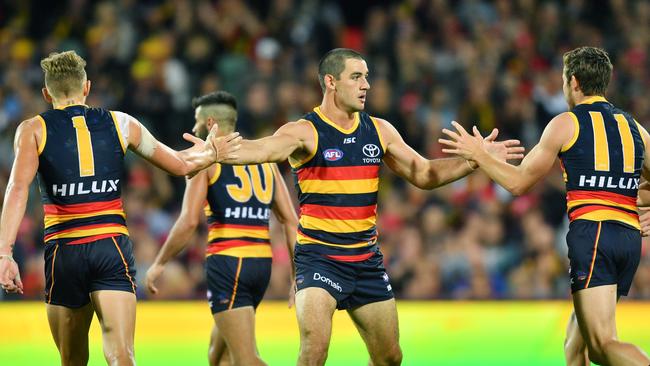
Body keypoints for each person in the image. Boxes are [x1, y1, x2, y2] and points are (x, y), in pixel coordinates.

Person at [214, 48, 524, 366]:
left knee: (390, 357)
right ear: (331, 82)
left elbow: (424, 173)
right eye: (357, 77)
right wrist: (220, 151)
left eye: (367, 77)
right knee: (315, 348)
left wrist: (476, 160)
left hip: (365, 261)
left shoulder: (379, 130)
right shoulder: (305, 131)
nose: (367, 85)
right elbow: (263, 149)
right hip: (319, 258)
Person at [0, 51, 240, 366]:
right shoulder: (122, 122)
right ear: (87, 87)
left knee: (72, 360)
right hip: (110, 247)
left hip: (64, 251)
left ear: (47, 94)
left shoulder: (33, 129)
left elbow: (17, 189)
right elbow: (181, 165)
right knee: (122, 356)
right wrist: (210, 154)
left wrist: (5, 253)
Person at [439, 46, 650, 366]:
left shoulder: (566, 123)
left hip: (593, 237)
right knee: (573, 346)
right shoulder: (634, 128)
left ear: (574, 82)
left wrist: (480, 156)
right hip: (627, 240)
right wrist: (636, 205)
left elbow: (518, 183)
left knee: (602, 345)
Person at [145, 91, 298, 366]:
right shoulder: (264, 159)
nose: (194, 129)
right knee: (217, 356)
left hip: (228, 263)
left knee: (245, 359)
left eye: (197, 122)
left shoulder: (208, 159)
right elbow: (289, 219)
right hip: (261, 265)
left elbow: (189, 220)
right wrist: (297, 274)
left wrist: (159, 263)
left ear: (210, 122)